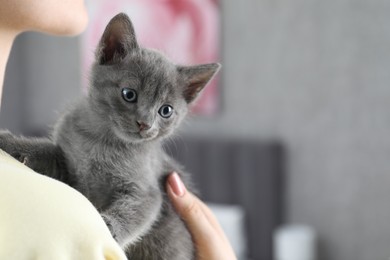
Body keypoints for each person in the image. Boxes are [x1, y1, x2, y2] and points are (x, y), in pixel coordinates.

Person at [0, 0, 237, 259]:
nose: (146, 122)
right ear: (109, 53)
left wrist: (107, 231)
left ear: (189, 95)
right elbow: (63, 165)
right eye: (129, 94)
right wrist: (14, 149)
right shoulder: (71, 125)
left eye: (165, 111)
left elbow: (145, 200)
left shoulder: (140, 157)